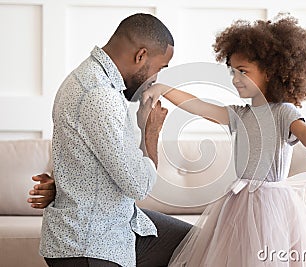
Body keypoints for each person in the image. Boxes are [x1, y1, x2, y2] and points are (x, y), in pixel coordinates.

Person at [142, 15, 306, 266]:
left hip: (271, 204)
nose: (235, 79)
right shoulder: (241, 114)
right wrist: (165, 90)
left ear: (270, 72)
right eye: (233, 71)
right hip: (238, 201)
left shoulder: (282, 112)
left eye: (243, 71)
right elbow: (201, 107)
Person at [30, 13, 192, 267]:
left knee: (196, 244)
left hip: (112, 223)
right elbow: (139, 185)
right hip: (89, 243)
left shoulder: (87, 77)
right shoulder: (100, 95)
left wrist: (59, 184)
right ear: (141, 56)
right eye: (159, 68)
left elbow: (81, 158)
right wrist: (150, 132)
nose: (155, 80)